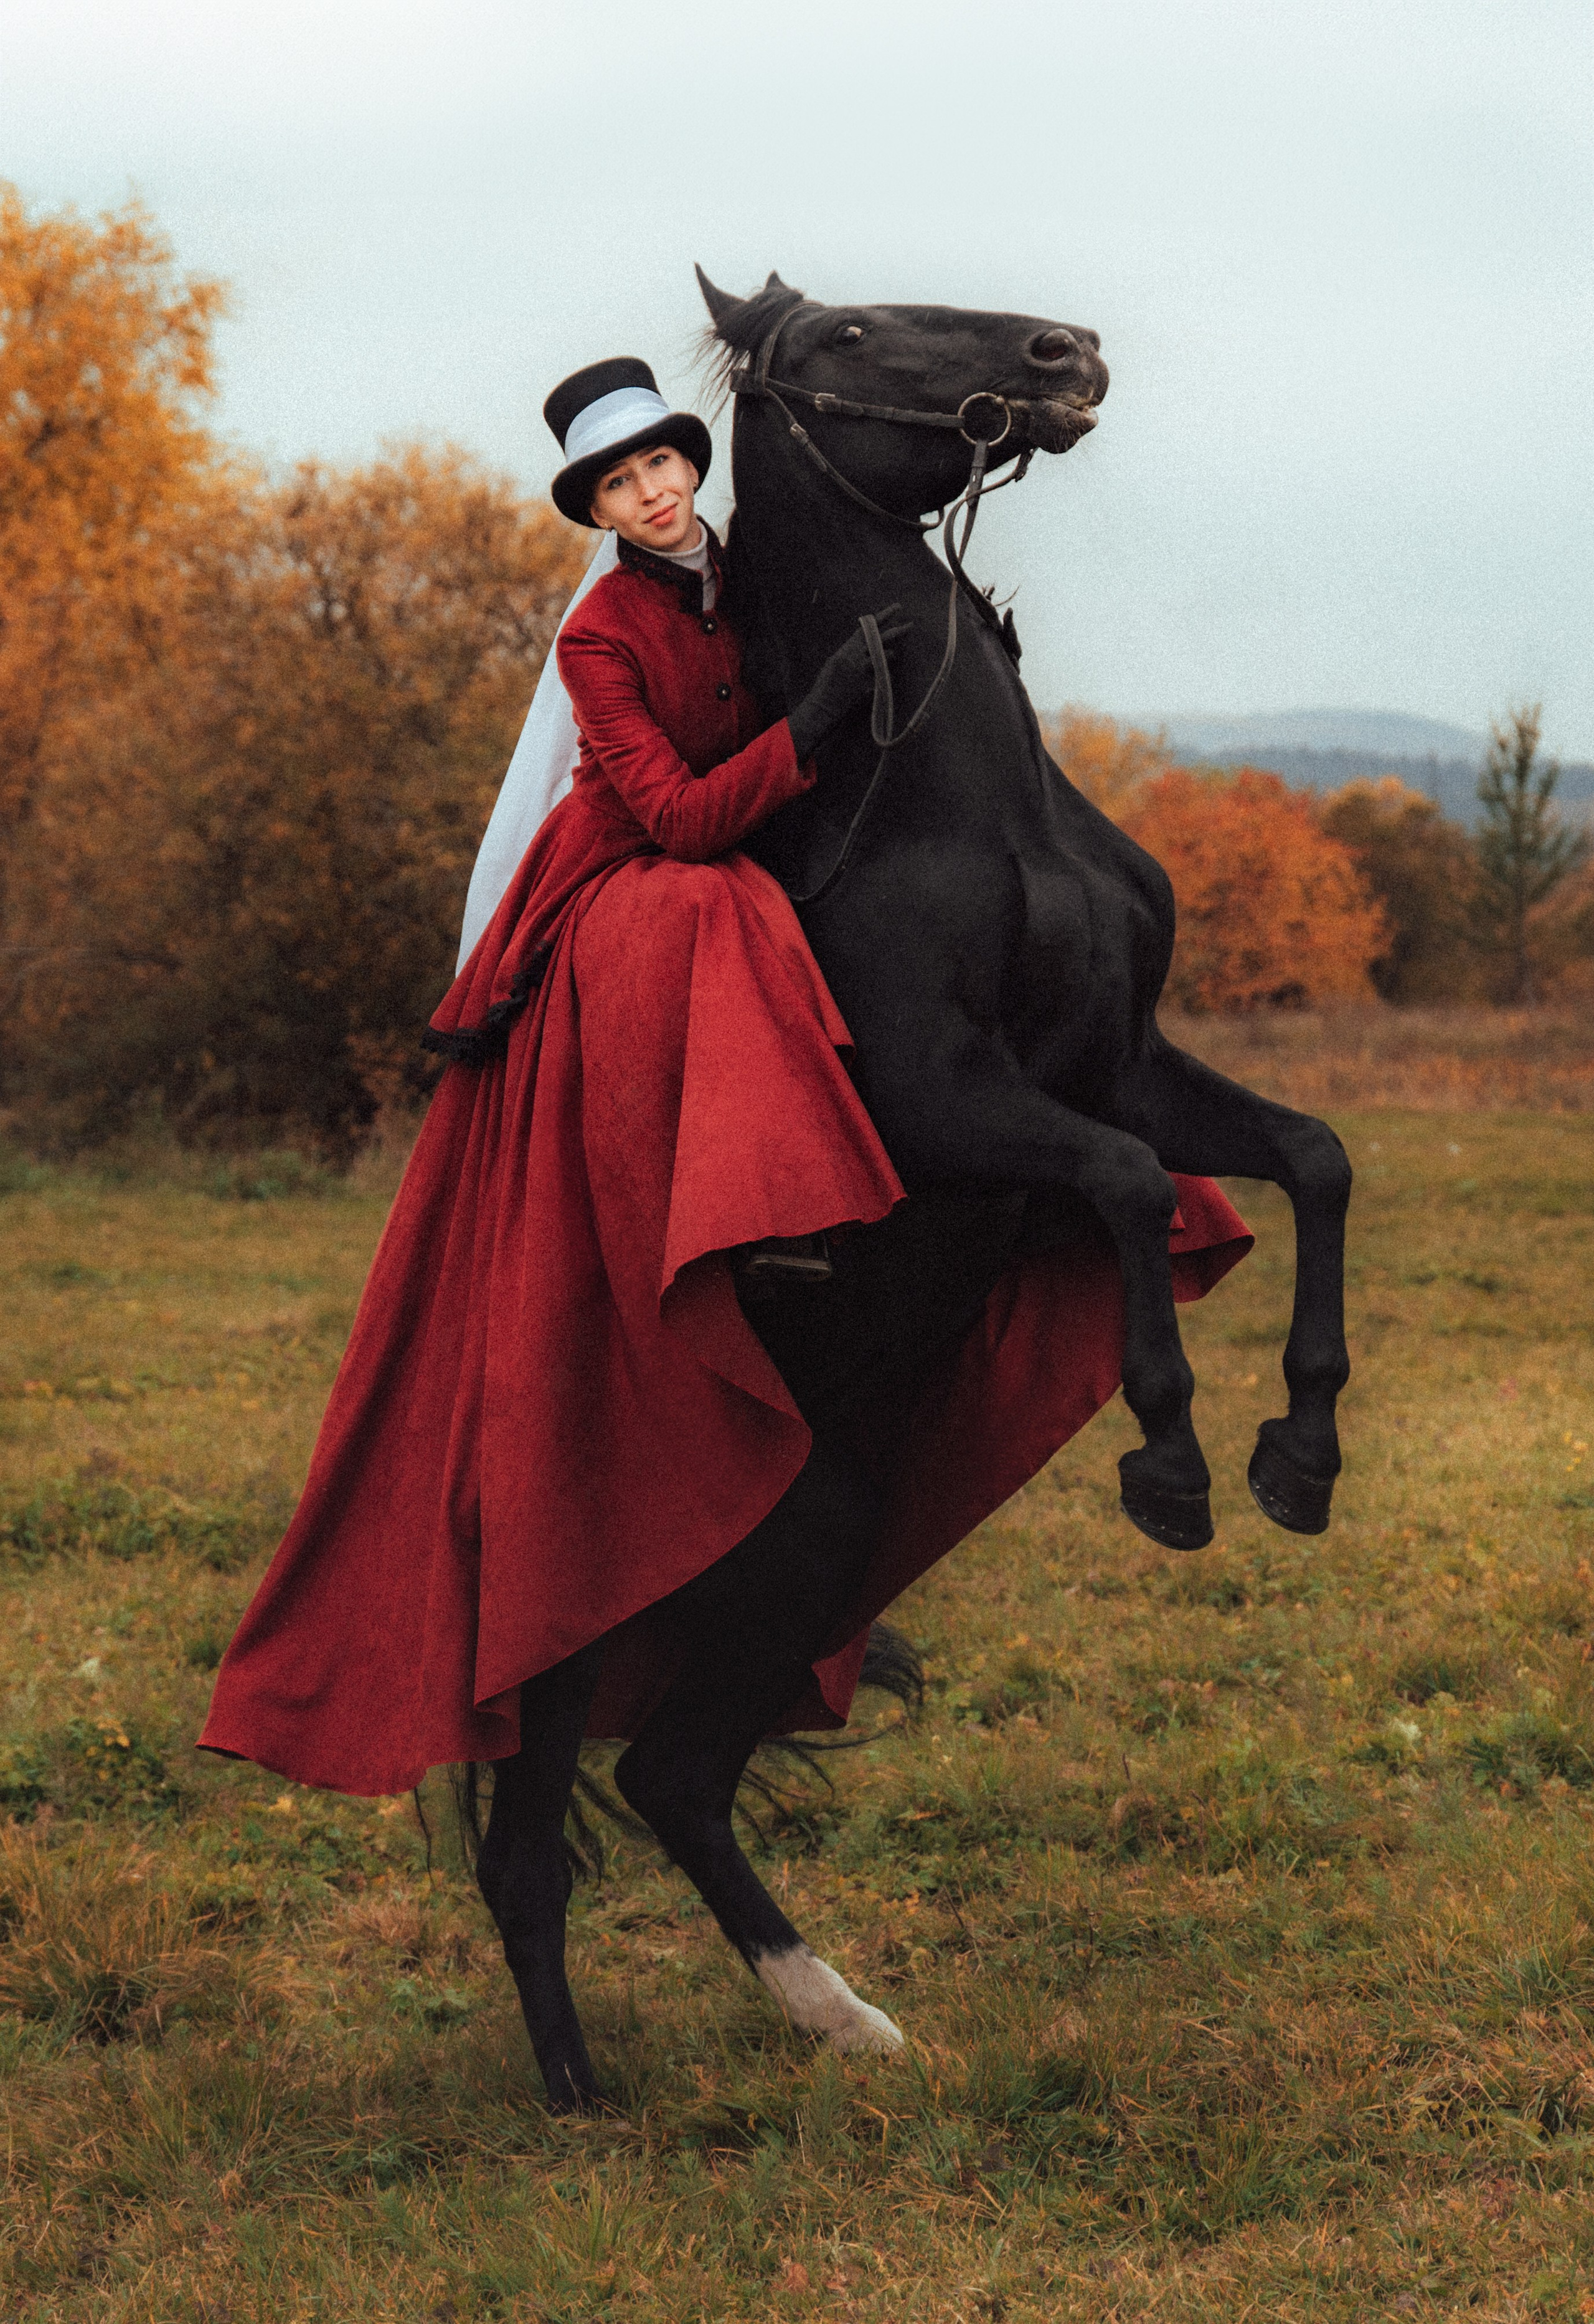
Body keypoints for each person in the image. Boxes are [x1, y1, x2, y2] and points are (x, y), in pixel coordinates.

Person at [200, 361, 1252, 1799]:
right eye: (620, 485)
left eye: (664, 468)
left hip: (752, 819)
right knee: (715, 914)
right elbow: (685, 817)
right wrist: (811, 723)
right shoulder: (601, 634)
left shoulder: (739, 568)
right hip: (643, 868)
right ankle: (755, 1216)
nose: (652, 494)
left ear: (692, 466)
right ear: (598, 508)